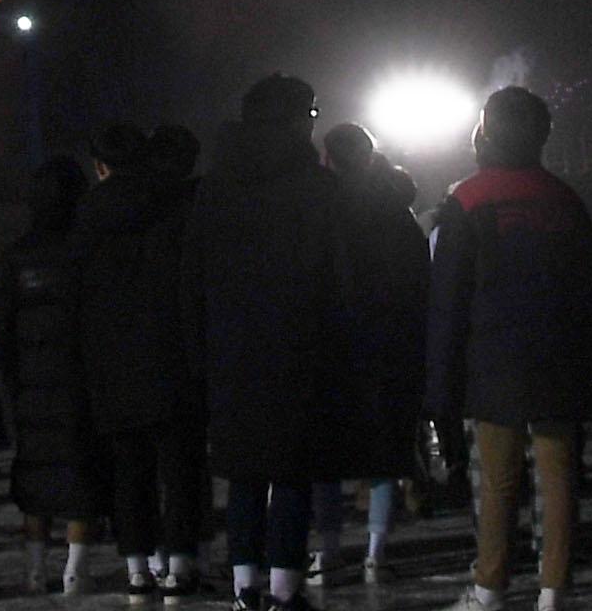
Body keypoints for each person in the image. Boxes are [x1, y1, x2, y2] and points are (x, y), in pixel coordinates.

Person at [426, 84, 592, 611]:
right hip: (560, 358)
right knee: (559, 478)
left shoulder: (467, 200)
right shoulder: (564, 198)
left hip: (492, 362)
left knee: (497, 480)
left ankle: (490, 589)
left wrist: (439, 386)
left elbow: (448, 300)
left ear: (486, 131)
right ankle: (555, 589)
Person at [187, 75, 346, 609]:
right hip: (301, 345)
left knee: (244, 475)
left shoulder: (214, 188)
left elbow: (193, 277)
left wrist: (200, 350)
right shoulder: (316, 187)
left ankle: (245, 587)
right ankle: (285, 587)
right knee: (294, 470)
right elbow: (338, 275)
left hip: (230, 349)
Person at [75, 122, 204, 602]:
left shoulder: (87, 213)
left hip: (111, 357)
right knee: (180, 466)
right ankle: (180, 562)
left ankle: (137, 565)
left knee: (130, 469)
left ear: (101, 164)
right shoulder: (174, 202)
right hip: (170, 350)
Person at [321, 121, 432, 582]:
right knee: (386, 453)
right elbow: (418, 279)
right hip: (389, 346)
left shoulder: (320, 207)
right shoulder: (395, 210)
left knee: (323, 457)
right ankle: (375, 554)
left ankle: (327, 554)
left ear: (329, 158)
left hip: (331, 346)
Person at [0, 153, 106, 593]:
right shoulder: (86, 249)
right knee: (80, 473)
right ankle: (75, 570)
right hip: (77, 379)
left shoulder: (16, 256)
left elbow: (3, 328)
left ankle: (35, 568)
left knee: (35, 475)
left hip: (29, 384)